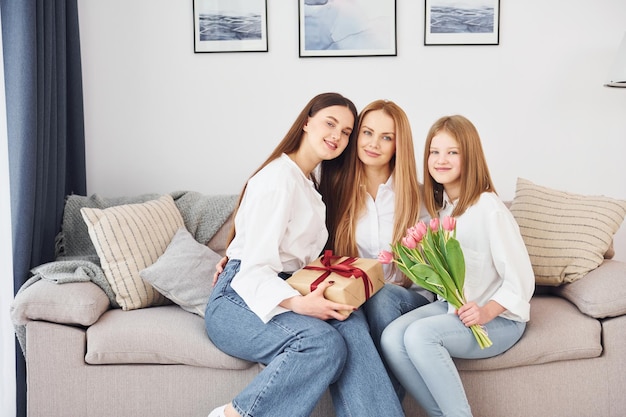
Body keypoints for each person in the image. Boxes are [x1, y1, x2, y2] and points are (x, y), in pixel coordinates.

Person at [205, 92, 405, 417]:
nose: (337, 136)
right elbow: (253, 269)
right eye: (330, 123)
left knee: (350, 322)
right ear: (307, 121)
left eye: (345, 132)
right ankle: (236, 414)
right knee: (323, 344)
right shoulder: (277, 179)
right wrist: (299, 304)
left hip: (288, 285)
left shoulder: (312, 184)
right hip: (239, 298)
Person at [380, 115, 535, 417]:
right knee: (391, 338)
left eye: (452, 152)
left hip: (498, 321)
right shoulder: (444, 210)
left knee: (419, 336)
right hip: (455, 308)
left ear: (470, 157)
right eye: (434, 152)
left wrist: (486, 311)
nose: (441, 160)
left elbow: (521, 280)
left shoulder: (489, 208)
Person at [325, 99, 432, 396]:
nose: (374, 144)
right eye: (367, 133)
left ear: (399, 146)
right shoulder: (334, 192)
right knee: (351, 321)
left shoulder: (418, 196)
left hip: (408, 300)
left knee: (382, 297)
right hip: (357, 299)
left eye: (387, 137)